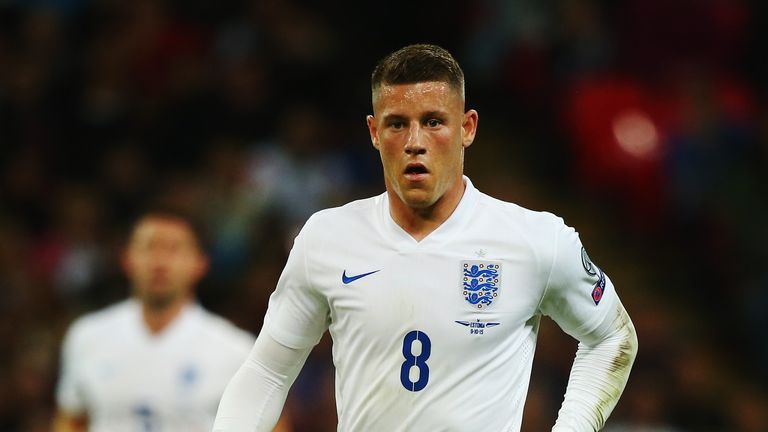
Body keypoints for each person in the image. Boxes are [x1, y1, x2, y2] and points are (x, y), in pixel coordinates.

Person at [213, 43, 638, 431]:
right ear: (374, 132)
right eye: (397, 124)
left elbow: (612, 336)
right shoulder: (326, 239)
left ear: (467, 128)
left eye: (434, 121)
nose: (415, 142)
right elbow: (267, 371)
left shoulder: (536, 240)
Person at [53, 207, 257, 432]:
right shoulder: (86, 337)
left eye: (173, 249)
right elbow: (71, 420)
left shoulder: (236, 350)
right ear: (127, 259)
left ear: (200, 263)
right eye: (149, 247)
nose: (159, 262)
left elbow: (269, 425)